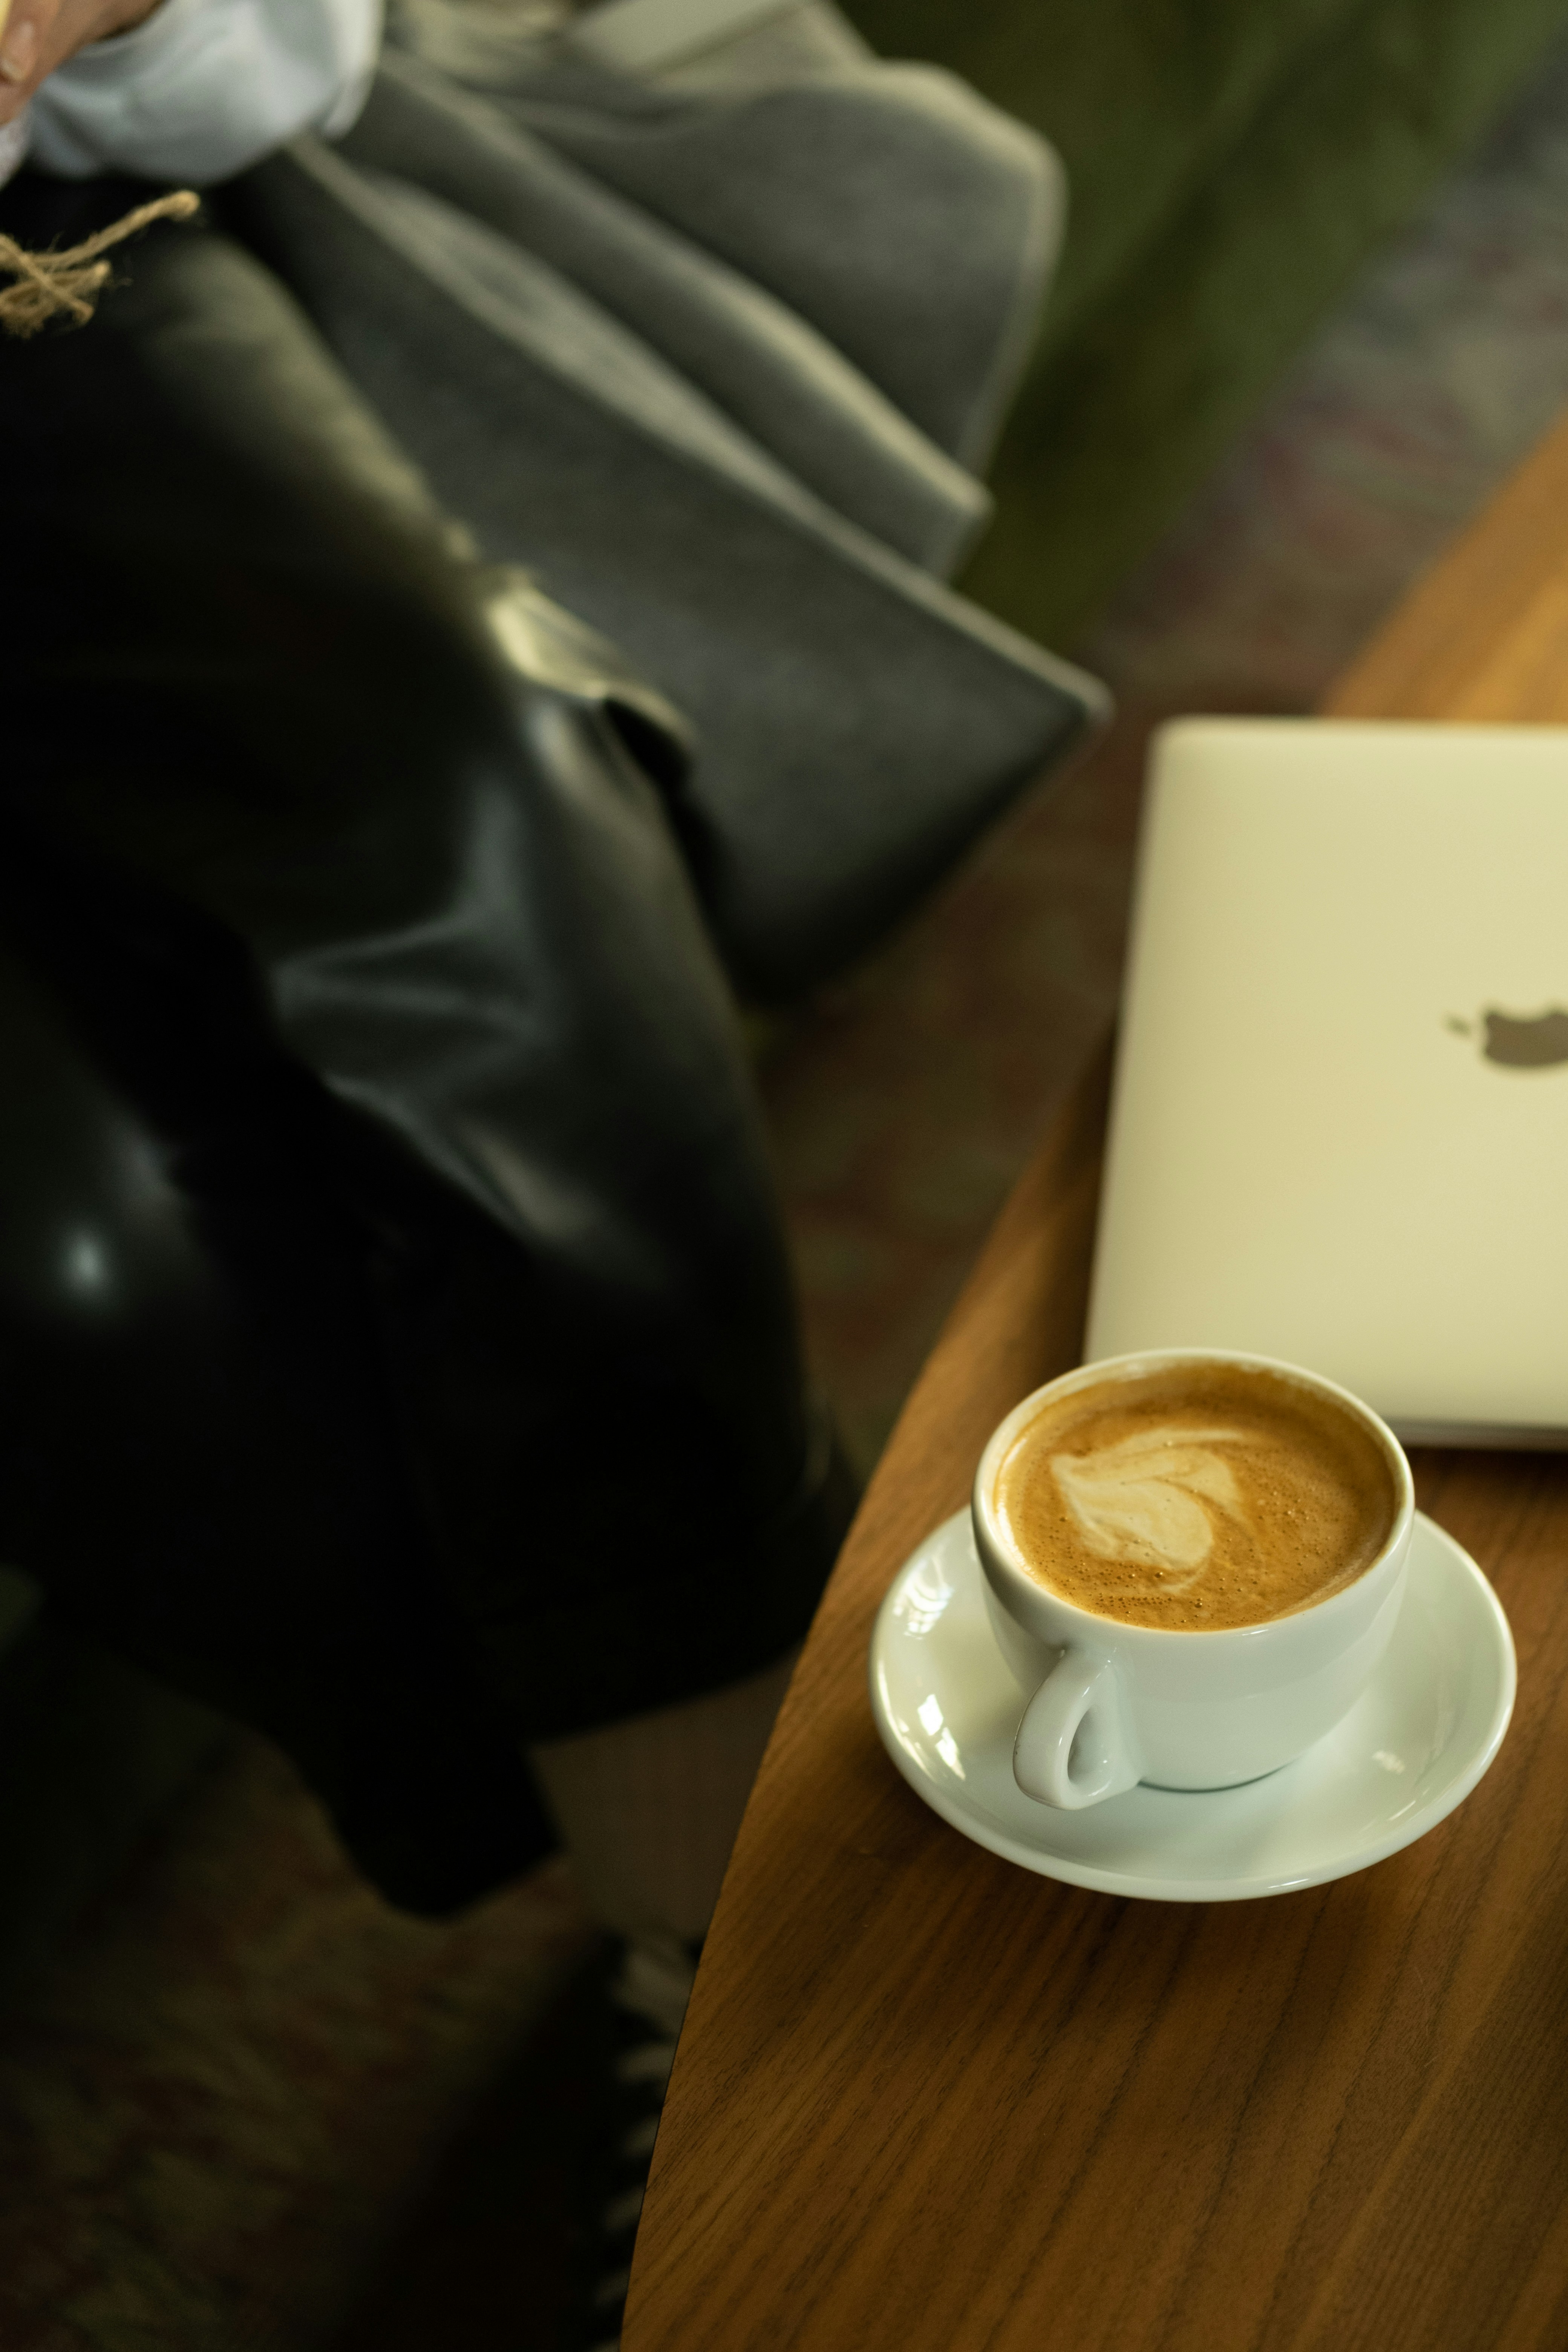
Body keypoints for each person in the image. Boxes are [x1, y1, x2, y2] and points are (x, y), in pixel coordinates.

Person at [0, 2, 1104, 2337]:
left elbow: (258, 72)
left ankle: (716, 1922)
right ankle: (617, 1838)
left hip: (46, 271)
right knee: (97, 1265)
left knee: (485, 820)